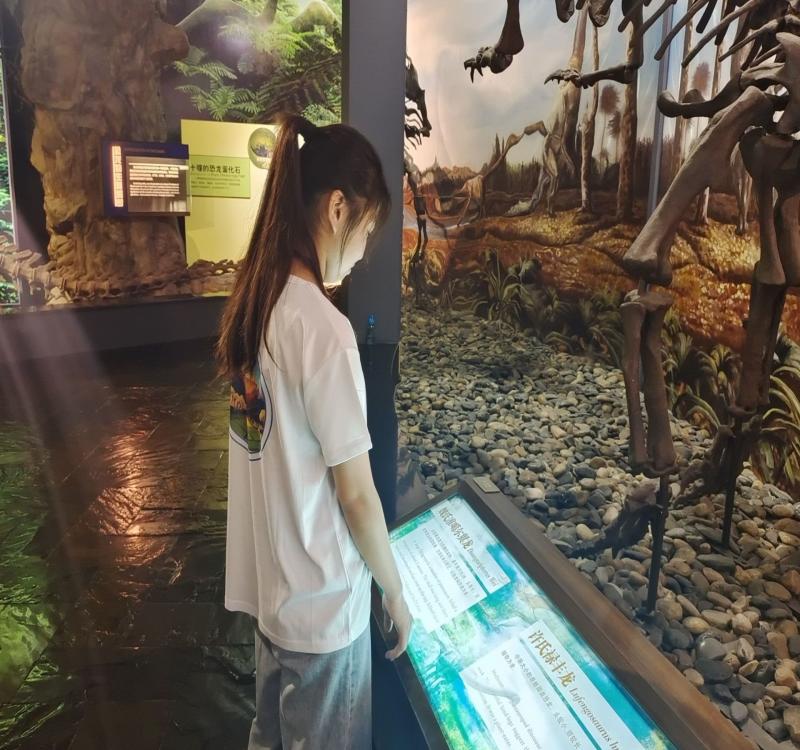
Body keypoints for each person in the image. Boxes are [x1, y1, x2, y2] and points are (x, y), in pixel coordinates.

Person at [216, 114, 412, 750]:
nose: (360, 254)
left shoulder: (256, 306)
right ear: (337, 208)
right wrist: (394, 589)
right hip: (325, 611)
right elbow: (356, 494)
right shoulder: (322, 330)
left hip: (275, 597)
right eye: (366, 233)